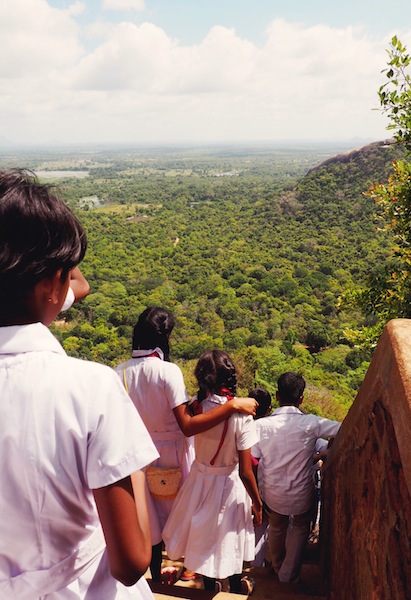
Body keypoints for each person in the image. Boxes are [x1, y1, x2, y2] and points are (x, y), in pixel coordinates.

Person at [0, 169, 157, 599]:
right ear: (54, 282)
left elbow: (65, 287)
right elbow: (131, 563)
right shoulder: (91, 388)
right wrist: (132, 463)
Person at [115, 312, 258, 584]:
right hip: (175, 451)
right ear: (163, 337)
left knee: (151, 518)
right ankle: (197, 572)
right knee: (192, 514)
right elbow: (188, 425)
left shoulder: (119, 372)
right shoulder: (168, 371)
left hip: (139, 453)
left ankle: (155, 578)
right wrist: (231, 405)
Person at [162, 350, 262, 595]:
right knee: (233, 539)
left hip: (199, 481)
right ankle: (236, 588)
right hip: (229, 484)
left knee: (204, 539)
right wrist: (258, 503)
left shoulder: (196, 408)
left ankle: (209, 589)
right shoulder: (242, 415)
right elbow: (246, 471)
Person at [251, 372, 341, 584]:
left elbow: (254, 457)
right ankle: (287, 575)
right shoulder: (311, 423)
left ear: (277, 395)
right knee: (300, 527)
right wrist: (324, 451)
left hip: (272, 493)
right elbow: (342, 429)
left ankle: (276, 565)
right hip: (302, 494)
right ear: (301, 398)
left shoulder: (260, 426)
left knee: (276, 525)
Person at [248, 387, 272, 568]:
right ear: (269, 409)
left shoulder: (239, 426)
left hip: (235, 486)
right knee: (259, 531)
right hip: (259, 488)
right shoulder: (270, 431)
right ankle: (255, 566)